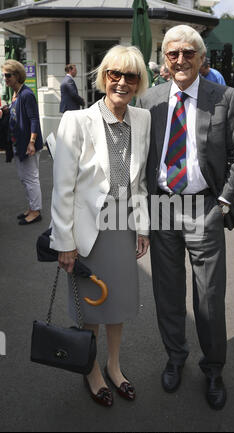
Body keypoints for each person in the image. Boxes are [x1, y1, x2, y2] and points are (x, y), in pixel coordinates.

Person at [137, 25, 234, 411]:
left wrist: (223, 202)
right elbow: (138, 157)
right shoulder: (149, 99)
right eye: (173, 54)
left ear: (202, 59)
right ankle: (175, 357)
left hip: (205, 206)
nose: (181, 60)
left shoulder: (225, 97)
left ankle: (214, 368)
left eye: (189, 53)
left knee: (208, 299)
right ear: (165, 60)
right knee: (167, 294)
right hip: (162, 205)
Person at [50, 45, 151, 407]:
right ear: (103, 76)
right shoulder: (76, 121)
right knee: (91, 306)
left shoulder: (142, 119)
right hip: (87, 232)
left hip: (123, 227)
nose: (122, 82)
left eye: (131, 76)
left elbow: (138, 183)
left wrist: (143, 227)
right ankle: (91, 370)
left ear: (139, 82)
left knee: (119, 303)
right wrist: (64, 241)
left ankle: (114, 366)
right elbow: (63, 188)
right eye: (115, 74)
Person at [1, 60, 43, 225]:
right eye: (4, 75)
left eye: (8, 75)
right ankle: (32, 207)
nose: (5, 79)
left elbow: (34, 119)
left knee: (31, 178)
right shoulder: (16, 93)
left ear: (17, 75)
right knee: (24, 177)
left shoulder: (27, 94)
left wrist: (32, 142)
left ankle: (36, 211)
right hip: (18, 143)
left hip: (27, 144)